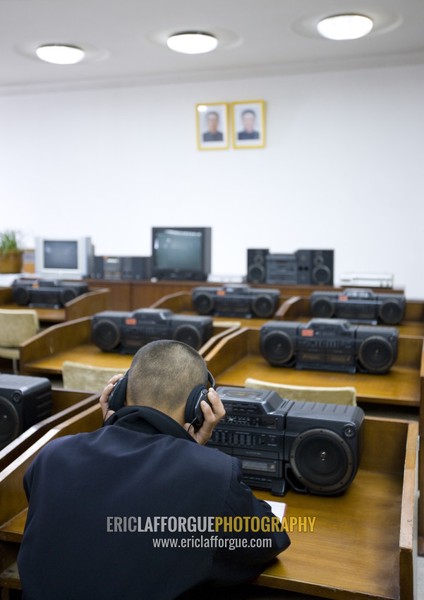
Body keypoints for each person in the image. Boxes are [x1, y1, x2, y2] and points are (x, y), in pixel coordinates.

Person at [18, 340, 290, 600]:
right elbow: (269, 540)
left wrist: (110, 430)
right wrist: (193, 450)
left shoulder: (53, 455)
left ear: (119, 394)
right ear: (199, 405)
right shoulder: (211, 474)